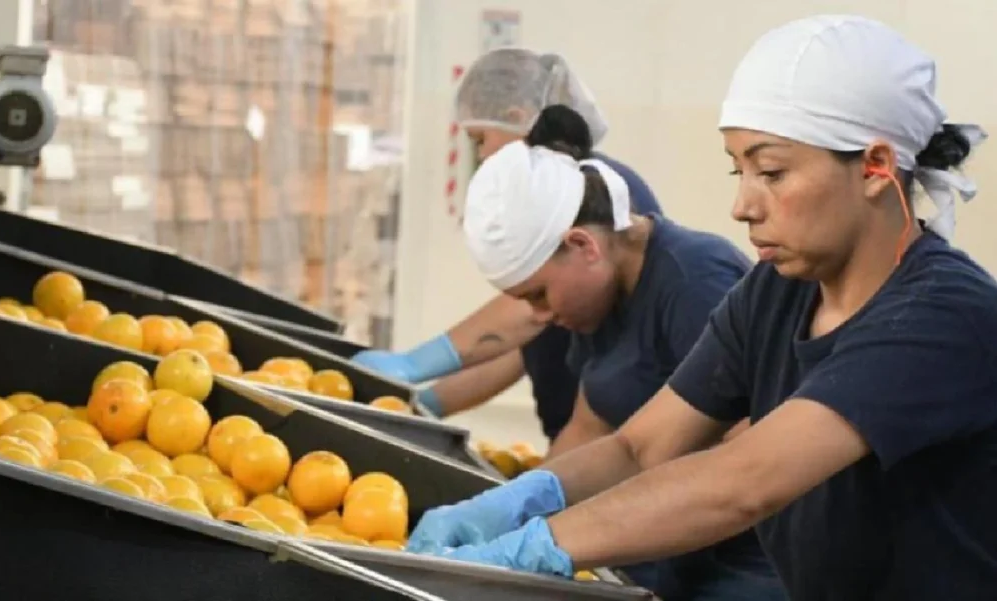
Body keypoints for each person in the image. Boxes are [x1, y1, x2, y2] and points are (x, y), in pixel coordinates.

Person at [406, 15, 997, 601]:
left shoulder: (944, 316)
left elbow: (744, 482)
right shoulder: (777, 292)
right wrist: (516, 501)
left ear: (875, 166)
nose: (742, 205)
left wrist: (537, 546)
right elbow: (639, 447)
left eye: (771, 172)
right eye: (737, 170)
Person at [452, 104, 784, 600]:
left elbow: (743, 460)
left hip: (739, 565)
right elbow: (594, 428)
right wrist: (516, 506)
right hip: (652, 548)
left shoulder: (694, 281)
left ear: (583, 245)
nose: (540, 316)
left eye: (539, 294)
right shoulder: (599, 302)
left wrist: (571, 535)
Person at [352, 48, 662, 443]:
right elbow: (522, 345)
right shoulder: (551, 206)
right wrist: (425, 405)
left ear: (518, 119)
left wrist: (417, 362)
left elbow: (528, 317)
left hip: (608, 447)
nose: (481, 155)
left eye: (480, 139)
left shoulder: (593, 191)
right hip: (575, 440)